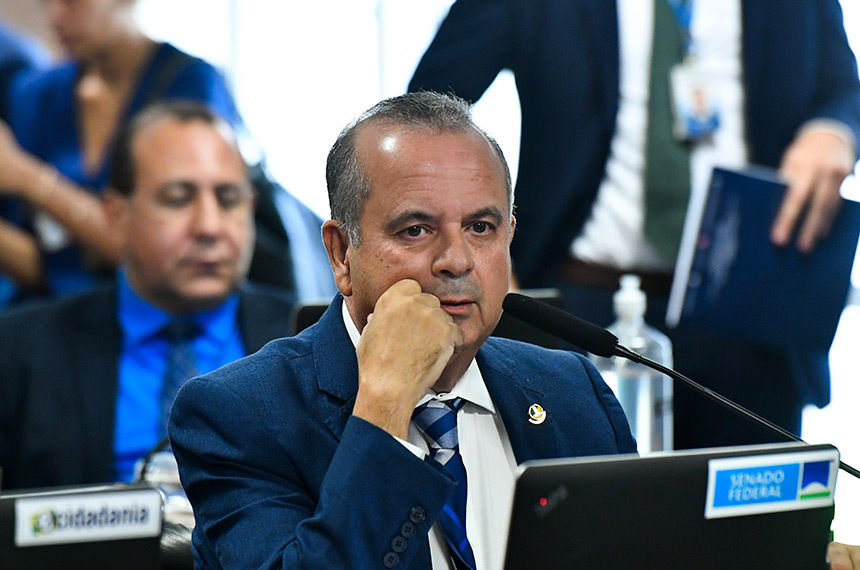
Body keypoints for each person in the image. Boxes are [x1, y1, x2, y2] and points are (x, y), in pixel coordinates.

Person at [168, 91, 636, 569]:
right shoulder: (238, 415)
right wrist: (387, 402)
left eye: (480, 227)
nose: (456, 260)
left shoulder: (575, 394)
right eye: (416, 229)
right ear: (341, 254)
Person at [408, 0, 860, 450]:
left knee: (755, 512)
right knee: (595, 509)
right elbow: (423, 113)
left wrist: (834, 130)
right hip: (581, 305)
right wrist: (481, 244)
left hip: (751, 301)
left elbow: (842, 85)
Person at [0, 101, 294, 490]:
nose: (209, 227)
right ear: (116, 214)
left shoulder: (309, 339)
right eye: (178, 198)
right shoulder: (21, 349)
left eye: (228, 199)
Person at [0, 0, 241, 304]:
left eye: (72, 2)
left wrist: (27, 177)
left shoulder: (191, 84)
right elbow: (41, 263)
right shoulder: (35, 94)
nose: (55, 17)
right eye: (45, 2)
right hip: (52, 323)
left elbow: (169, 249)